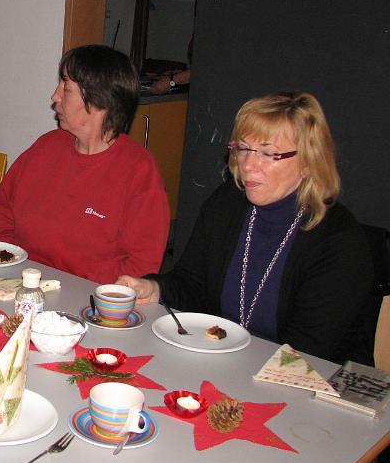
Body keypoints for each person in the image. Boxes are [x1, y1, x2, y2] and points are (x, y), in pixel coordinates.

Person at [118, 91, 372, 361]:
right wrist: (154, 290)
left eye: (268, 153)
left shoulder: (338, 241)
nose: (249, 164)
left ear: (309, 162)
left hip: (308, 382)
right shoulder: (228, 204)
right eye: (243, 148)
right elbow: (191, 284)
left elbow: (307, 353)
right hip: (228, 365)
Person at [0, 44, 170, 283]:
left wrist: (75, 287)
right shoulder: (46, 147)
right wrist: (14, 258)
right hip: (20, 282)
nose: (55, 96)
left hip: (88, 301)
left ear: (99, 101)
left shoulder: (138, 170)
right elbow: (1, 208)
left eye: (66, 88)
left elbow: (142, 263)